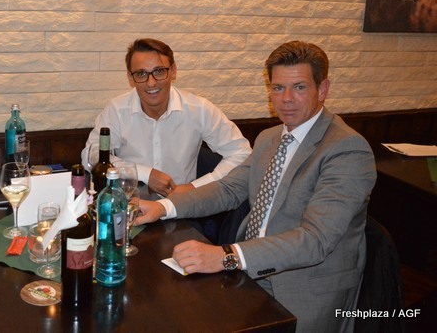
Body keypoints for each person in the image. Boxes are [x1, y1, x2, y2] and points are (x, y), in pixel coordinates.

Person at [136, 41, 376, 332]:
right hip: (250, 271)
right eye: (278, 88)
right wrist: (162, 207)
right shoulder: (269, 138)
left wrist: (227, 256)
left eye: (299, 87)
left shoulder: (347, 150)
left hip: (302, 287)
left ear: (322, 89)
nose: (286, 99)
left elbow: (315, 240)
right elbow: (228, 189)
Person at [82, 38, 251, 195]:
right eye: (141, 73)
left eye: (159, 71)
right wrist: (145, 174)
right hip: (130, 203)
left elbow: (242, 153)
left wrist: (195, 187)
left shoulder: (199, 109)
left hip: (182, 204)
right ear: (130, 78)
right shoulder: (117, 110)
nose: (151, 83)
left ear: (173, 71)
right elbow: (91, 155)